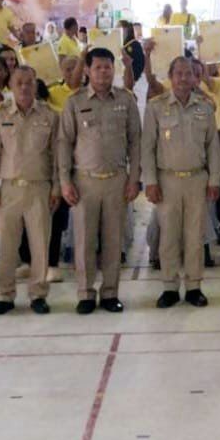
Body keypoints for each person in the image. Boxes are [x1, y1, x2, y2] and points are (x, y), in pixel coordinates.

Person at [58, 48, 142, 314]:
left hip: (117, 180)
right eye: (98, 68)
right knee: (84, 241)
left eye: (108, 67)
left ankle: (110, 293)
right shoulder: (74, 102)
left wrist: (134, 178)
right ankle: (85, 293)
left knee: (113, 240)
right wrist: (64, 181)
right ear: (87, 71)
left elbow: (135, 142)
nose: (103, 72)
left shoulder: (126, 101)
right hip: (84, 181)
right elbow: (64, 143)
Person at [142, 56, 220, 309]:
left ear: (195, 77)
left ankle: (194, 286)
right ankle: (169, 287)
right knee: (169, 236)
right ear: (170, 76)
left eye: (189, 74)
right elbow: (147, 147)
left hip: (197, 179)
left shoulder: (205, 108)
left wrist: (215, 179)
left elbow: (213, 148)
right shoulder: (156, 107)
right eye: (179, 73)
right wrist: (150, 182)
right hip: (167, 181)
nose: (184, 78)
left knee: (195, 236)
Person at [0, 66, 59, 315]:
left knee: (40, 245)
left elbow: (58, 156)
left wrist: (57, 187)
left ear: (36, 85)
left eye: (29, 82)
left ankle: (38, 294)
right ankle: (5, 295)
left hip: (40, 189)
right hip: (9, 190)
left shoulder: (50, 116)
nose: (24, 87)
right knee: (6, 246)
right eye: (19, 83)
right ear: (11, 87)